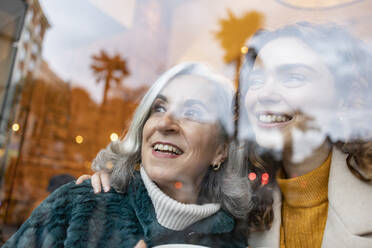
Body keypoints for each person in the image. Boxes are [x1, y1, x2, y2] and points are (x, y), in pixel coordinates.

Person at [3, 62, 250, 247]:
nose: (165, 123)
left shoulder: (233, 239)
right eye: (159, 108)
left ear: (221, 150)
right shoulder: (82, 204)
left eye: (193, 113)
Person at [237, 22, 372, 248]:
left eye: (293, 78)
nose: (265, 94)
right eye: (256, 81)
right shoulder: (238, 204)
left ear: (342, 99)